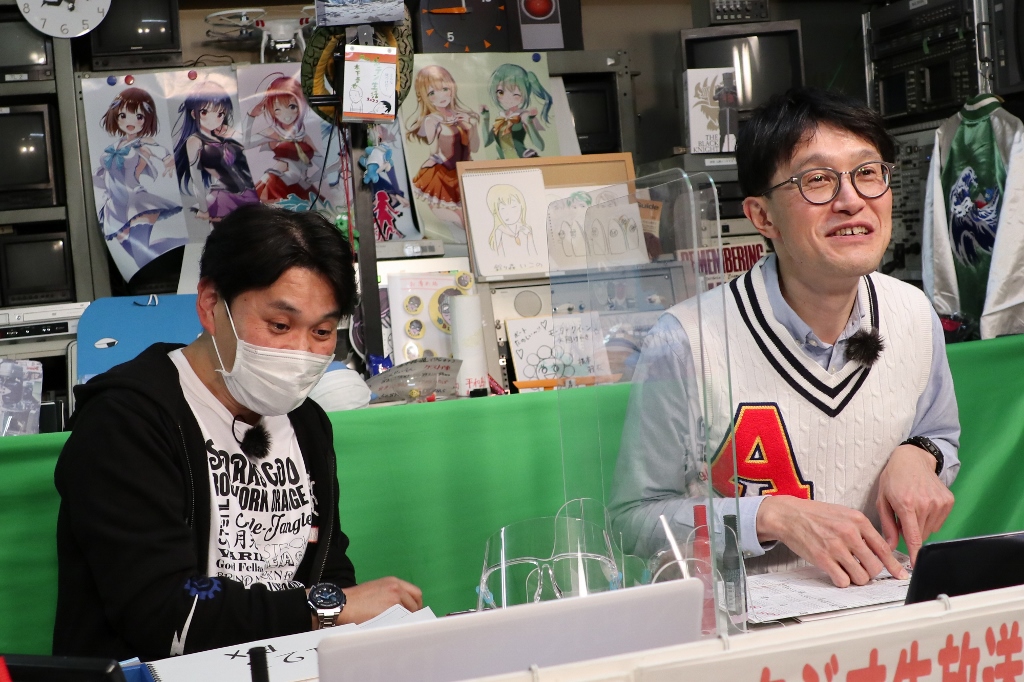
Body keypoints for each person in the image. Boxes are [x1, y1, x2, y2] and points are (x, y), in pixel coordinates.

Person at [610, 87, 960, 588]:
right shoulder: (686, 339)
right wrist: (770, 516)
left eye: (867, 172)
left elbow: (941, 436)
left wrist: (919, 454)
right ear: (762, 216)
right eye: (817, 180)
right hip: (740, 621)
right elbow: (632, 521)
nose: (851, 201)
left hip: (878, 607)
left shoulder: (913, 313)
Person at [53, 204, 422, 661]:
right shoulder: (126, 421)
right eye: (280, 325)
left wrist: (347, 616)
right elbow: (166, 615)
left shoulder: (305, 422)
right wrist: (328, 608)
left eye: (323, 331)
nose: (301, 352)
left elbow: (329, 573)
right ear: (211, 305)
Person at [94, 87, 186, 273]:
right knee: (140, 259)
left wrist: (168, 160)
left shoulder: (143, 142)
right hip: (115, 206)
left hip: (137, 202)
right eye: (123, 115)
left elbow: (161, 152)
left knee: (142, 257)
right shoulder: (114, 145)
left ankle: (186, 246)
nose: (130, 122)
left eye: (138, 116)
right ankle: (185, 247)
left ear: (147, 118)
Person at [404, 65, 480, 241]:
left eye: (444, 89)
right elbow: (432, 150)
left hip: (465, 172)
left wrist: (472, 125)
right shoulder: (431, 120)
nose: (440, 96)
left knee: (472, 220)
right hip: (442, 173)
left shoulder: (464, 116)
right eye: (432, 93)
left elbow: (475, 147)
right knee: (459, 221)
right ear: (424, 97)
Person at [173, 80, 260, 224]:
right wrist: (203, 209)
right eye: (205, 112)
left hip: (248, 192)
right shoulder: (195, 141)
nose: (213, 119)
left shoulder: (224, 134)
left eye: (220, 113)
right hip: (224, 197)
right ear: (194, 114)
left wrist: (250, 118)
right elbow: (196, 178)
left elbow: (249, 143)